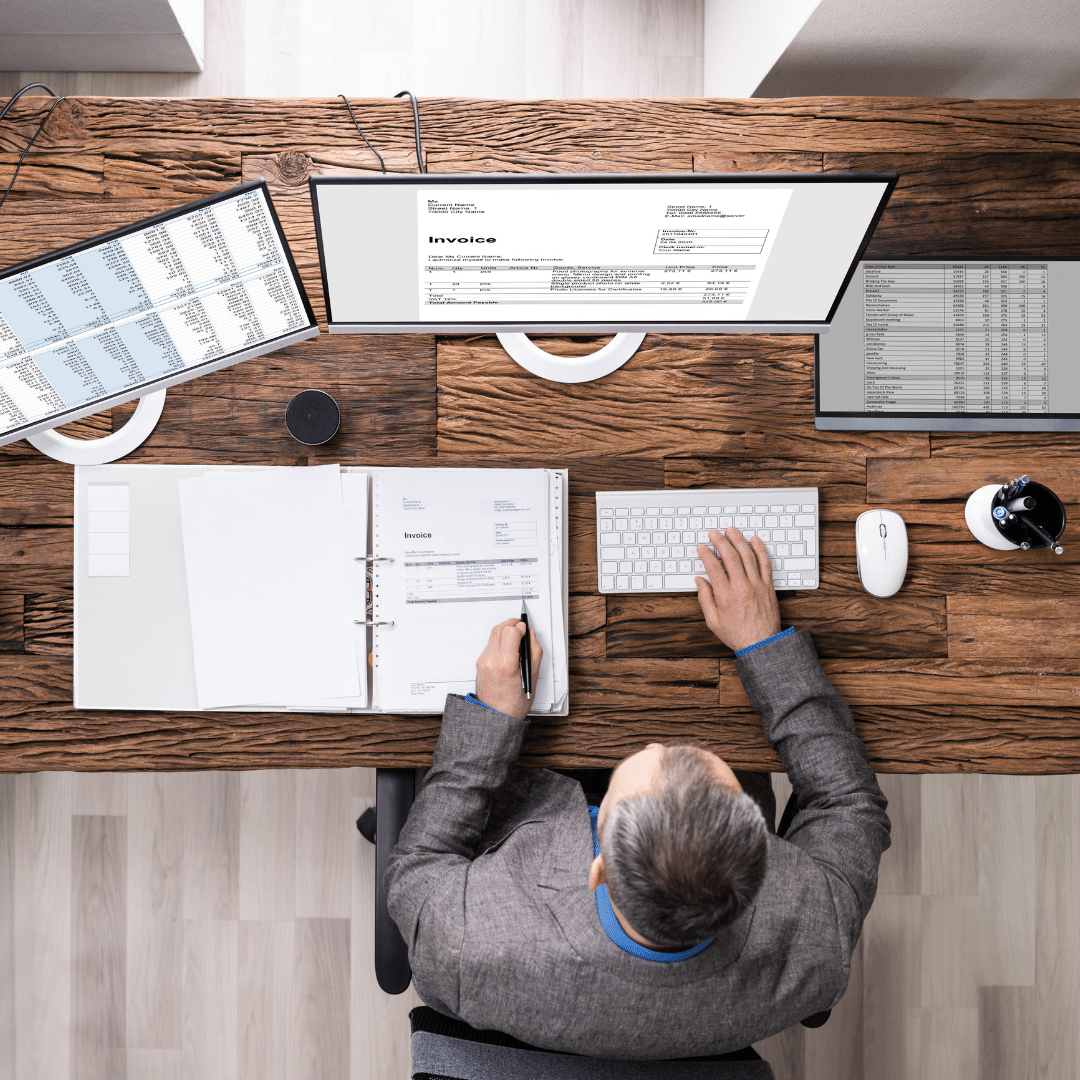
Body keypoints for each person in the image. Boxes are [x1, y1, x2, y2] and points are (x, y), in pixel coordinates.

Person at [385, 526, 891, 1060]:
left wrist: (491, 720)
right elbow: (849, 803)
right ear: (760, 858)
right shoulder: (819, 934)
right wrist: (764, 648)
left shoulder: (465, 941)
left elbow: (417, 864)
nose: (654, 742)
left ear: (597, 866)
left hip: (524, 806)